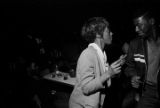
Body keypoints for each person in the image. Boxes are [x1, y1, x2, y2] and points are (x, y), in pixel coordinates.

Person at [69, 17, 125, 108]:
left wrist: (115, 67)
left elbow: (103, 80)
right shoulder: (87, 54)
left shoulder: (102, 53)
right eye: (108, 31)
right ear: (99, 34)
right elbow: (86, 88)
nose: (112, 33)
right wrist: (108, 73)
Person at [125, 10, 160, 108]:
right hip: (147, 92)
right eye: (135, 26)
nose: (136, 29)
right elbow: (129, 67)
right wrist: (133, 76)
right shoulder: (135, 44)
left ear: (151, 21)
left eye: (139, 25)